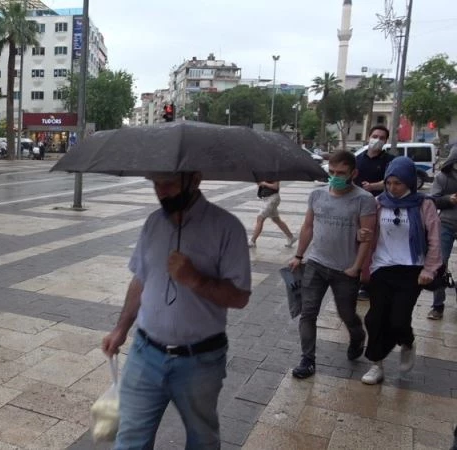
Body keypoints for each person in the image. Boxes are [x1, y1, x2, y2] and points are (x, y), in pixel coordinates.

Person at [101, 172, 251, 449]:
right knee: (130, 439)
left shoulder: (227, 228)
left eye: (168, 183)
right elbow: (141, 279)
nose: (161, 192)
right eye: (156, 184)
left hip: (200, 360)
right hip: (145, 354)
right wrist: (121, 329)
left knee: (202, 439)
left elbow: (240, 297)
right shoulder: (153, 223)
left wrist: (195, 279)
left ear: (194, 179)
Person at [288, 150, 377, 379]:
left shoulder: (364, 199)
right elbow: (308, 226)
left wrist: (356, 267)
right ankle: (308, 360)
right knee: (308, 313)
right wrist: (298, 255)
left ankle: (357, 337)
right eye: (332, 171)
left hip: (345, 269)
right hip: (316, 263)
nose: (335, 176)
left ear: (353, 173)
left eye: (341, 173)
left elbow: (368, 237)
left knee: (346, 313)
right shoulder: (317, 196)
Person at [359, 157, 441, 384]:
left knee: (398, 319)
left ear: (410, 183)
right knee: (375, 318)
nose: (392, 188)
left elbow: (435, 240)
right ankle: (376, 364)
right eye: (389, 183)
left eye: (398, 183)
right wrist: (362, 236)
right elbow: (367, 232)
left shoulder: (424, 205)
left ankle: (407, 342)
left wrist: (430, 269)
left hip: (412, 269)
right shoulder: (378, 203)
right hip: (382, 267)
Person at [354, 125, 394, 300]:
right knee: (356, 242)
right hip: (357, 207)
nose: (377, 139)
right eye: (375, 136)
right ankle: (354, 276)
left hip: (379, 208)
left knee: (372, 245)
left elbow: (392, 182)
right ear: (368, 136)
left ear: (385, 141)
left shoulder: (389, 160)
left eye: (381, 137)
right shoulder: (357, 159)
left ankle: (367, 283)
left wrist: (373, 186)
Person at [427, 146, 457, 320]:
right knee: (440, 264)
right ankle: (438, 305)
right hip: (445, 224)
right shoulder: (443, 177)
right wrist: (448, 199)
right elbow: (432, 201)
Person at [248, 180, 297, 248]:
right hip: (267, 199)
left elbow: (275, 186)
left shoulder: (274, 173)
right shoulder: (264, 173)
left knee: (260, 218)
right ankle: (291, 238)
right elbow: (261, 185)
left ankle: (252, 241)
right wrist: (260, 183)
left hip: (272, 199)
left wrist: (264, 183)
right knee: (276, 220)